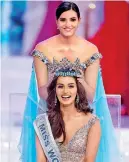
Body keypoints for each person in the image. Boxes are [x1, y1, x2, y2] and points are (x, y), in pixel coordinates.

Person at [18, 1, 120, 162]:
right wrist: (60, 94)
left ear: (79, 21)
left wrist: (79, 82)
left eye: (72, 20)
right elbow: (42, 91)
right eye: (63, 20)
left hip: (81, 115)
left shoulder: (90, 50)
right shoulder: (43, 49)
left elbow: (92, 94)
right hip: (51, 115)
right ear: (57, 21)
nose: (68, 24)